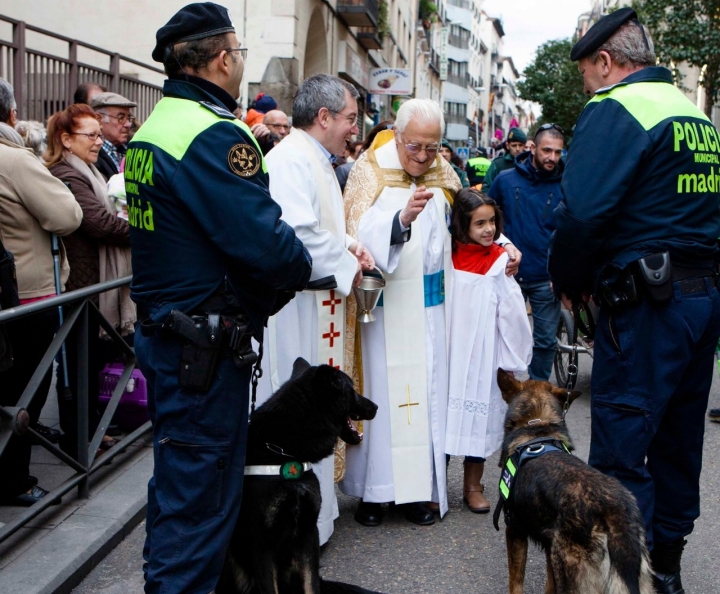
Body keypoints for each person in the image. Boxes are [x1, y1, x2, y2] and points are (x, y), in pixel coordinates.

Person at [130, 4, 311, 593]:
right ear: (224, 58)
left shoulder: (158, 124)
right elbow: (267, 247)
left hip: (172, 339)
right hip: (203, 353)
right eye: (239, 53)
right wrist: (296, 267)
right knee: (200, 509)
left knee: (178, 494)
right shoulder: (211, 132)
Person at [547, 9, 720, 594]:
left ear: (604, 61)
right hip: (699, 299)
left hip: (647, 307)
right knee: (678, 443)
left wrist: (567, 279)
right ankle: (667, 568)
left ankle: (630, 577)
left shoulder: (617, 107)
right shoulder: (693, 115)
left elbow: (580, 215)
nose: (587, 89)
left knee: (623, 449)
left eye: (586, 75)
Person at [340, 98, 521, 526]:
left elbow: (474, 223)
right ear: (398, 137)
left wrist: (506, 246)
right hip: (385, 308)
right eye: (414, 146)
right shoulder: (370, 169)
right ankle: (374, 494)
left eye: (432, 147)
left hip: (432, 309)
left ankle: (419, 494)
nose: (422, 157)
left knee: (427, 402)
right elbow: (352, 234)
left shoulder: (445, 173)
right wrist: (398, 222)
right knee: (385, 398)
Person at [257, 73, 375, 545]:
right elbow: (296, 232)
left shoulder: (316, 158)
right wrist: (348, 263)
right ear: (323, 117)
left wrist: (349, 243)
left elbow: (320, 222)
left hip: (316, 302)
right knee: (296, 406)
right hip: (296, 309)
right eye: (349, 118)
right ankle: (289, 523)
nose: (354, 128)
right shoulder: (290, 159)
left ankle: (314, 518)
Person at [0, 77, 83, 506]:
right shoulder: (13, 159)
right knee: (24, 392)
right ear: (11, 114)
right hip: (25, 293)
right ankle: (14, 481)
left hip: (8, 293)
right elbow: (67, 215)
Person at [45, 103, 134, 457]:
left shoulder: (90, 170)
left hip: (96, 280)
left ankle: (91, 430)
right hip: (80, 283)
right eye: (91, 135)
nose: (99, 142)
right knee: (80, 362)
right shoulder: (67, 174)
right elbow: (98, 222)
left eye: (100, 134)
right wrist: (141, 230)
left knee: (93, 360)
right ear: (66, 139)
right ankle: (77, 439)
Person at [445, 189, 532, 512]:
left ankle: (473, 485)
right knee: (442, 417)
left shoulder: (498, 260)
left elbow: (511, 313)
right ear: (461, 225)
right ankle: (436, 485)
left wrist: (512, 359)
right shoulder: (445, 253)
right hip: (450, 346)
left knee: (478, 421)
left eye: (492, 222)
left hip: (484, 350)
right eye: (479, 223)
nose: (488, 230)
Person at [487, 124, 565, 381]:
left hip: (546, 277)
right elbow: (487, 221)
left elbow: (570, 232)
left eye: (557, 152)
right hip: (508, 274)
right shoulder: (505, 180)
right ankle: (501, 396)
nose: (552, 157)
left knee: (544, 342)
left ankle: (536, 394)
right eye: (546, 150)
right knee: (501, 338)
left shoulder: (567, 185)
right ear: (533, 148)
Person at [89, 92, 137, 180]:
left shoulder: (133, 148)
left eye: (129, 118)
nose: (128, 124)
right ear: (99, 119)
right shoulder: (90, 153)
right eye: (121, 118)